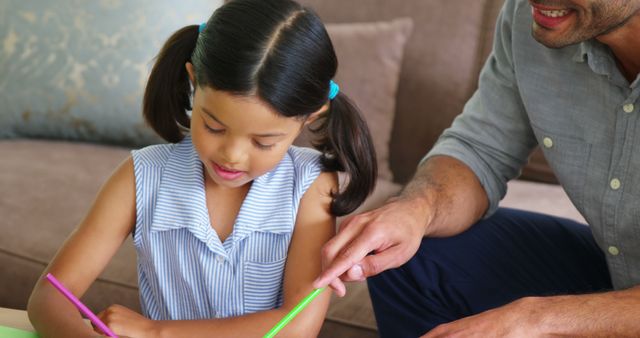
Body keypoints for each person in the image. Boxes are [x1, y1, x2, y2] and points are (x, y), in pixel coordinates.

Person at [27, 0, 377, 336]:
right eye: (214, 127)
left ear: (309, 117)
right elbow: (51, 295)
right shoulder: (141, 177)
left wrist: (156, 332)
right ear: (193, 82)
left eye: (263, 142)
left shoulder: (310, 185)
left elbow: (297, 326)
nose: (232, 156)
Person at [313, 0, 640, 336]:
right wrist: (416, 210)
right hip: (615, 268)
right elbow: (481, 150)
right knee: (407, 254)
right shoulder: (532, 20)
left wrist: (537, 319)